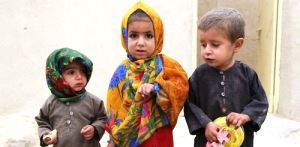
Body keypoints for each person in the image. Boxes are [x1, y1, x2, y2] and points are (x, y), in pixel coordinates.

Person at [104, 1, 189, 147]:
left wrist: (157, 88)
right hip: (126, 139)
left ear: (158, 36)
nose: (141, 42)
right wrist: (112, 140)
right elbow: (114, 109)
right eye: (134, 35)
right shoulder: (121, 71)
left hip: (158, 136)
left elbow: (180, 89)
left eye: (148, 35)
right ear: (125, 37)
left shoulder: (167, 66)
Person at [184, 7, 269, 147]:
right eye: (203, 44)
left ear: (237, 45)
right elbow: (190, 103)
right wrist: (206, 124)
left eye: (215, 45)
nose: (207, 51)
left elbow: (260, 102)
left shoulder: (247, 74)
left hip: (240, 141)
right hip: (207, 140)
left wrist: (244, 116)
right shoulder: (199, 75)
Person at [35, 48, 107, 147]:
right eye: (71, 72)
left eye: (82, 71)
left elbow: (102, 118)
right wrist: (46, 134)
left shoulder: (94, 101)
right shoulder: (51, 102)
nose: (79, 77)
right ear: (57, 76)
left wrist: (94, 129)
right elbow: (42, 121)